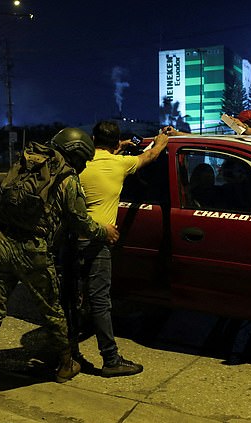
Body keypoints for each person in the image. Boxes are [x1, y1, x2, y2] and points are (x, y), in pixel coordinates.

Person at [0, 128, 120, 410]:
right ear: (78, 154)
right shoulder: (67, 178)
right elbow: (80, 221)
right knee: (52, 311)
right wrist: (103, 231)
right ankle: (65, 364)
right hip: (32, 250)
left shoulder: (26, 162)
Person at [72, 121, 169, 377]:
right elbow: (151, 155)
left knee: (71, 300)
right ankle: (110, 359)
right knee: (100, 302)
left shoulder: (77, 164)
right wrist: (162, 138)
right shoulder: (120, 165)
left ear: (92, 139)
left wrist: (118, 146)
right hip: (98, 241)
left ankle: (67, 357)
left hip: (71, 241)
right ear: (116, 144)